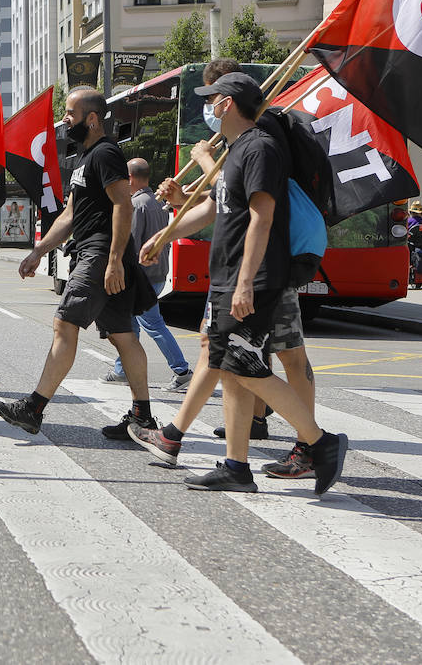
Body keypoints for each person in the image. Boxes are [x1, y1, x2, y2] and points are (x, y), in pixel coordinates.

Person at [133, 71, 347, 494]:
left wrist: (246, 283)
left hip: (251, 279)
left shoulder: (260, 149)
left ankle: (322, 444)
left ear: (227, 103)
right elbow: (213, 208)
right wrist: (165, 234)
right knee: (230, 371)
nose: (208, 107)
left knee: (244, 368)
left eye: (211, 100)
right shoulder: (236, 153)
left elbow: (263, 217)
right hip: (226, 278)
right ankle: (236, 465)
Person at [0, 87, 157, 437]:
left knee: (64, 324)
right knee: (123, 336)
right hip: (98, 254)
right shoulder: (84, 158)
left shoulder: (106, 154)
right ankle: (142, 416)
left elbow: (122, 205)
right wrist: (39, 250)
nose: (65, 120)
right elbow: (69, 215)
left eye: (70, 113)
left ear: (92, 119)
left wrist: (113, 261)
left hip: (99, 254)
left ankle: (33, 408)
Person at [101, 158, 192, 391]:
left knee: (152, 324)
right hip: (158, 272)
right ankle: (123, 370)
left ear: (130, 178)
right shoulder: (157, 201)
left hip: (142, 276)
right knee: (130, 323)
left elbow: (129, 244)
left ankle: (182, 370)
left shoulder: (136, 204)